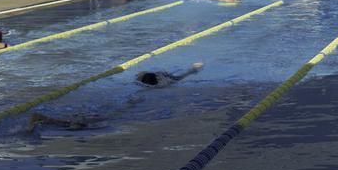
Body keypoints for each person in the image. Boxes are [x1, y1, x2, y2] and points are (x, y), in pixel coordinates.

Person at [28, 62, 205, 133]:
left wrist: (192, 69)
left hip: (121, 99)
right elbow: (178, 77)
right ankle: (44, 119)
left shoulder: (144, 84)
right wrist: (192, 70)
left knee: (87, 120)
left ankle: (46, 120)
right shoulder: (159, 87)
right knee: (88, 122)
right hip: (126, 103)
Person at [135, 62, 204, 87]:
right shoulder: (141, 78)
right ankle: (193, 70)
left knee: (177, 78)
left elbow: (175, 80)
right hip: (156, 75)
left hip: (161, 76)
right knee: (176, 78)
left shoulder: (162, 83)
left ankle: (193, 70)